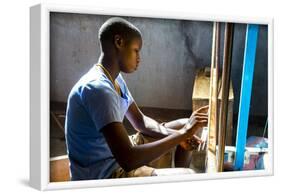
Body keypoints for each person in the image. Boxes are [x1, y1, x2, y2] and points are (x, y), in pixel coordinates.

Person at [65, 17, 208, 180]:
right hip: (104, 172)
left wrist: (183, 134)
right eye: (136, 50)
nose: (139, 57)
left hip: (117, 153)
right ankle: (172, 179)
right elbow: (128, 160)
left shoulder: (114, 79)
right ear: (119, 42)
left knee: (184, 125)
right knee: (188, 175)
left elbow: (141, 122)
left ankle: (167, 180)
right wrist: (181, 135)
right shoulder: (98, 89)